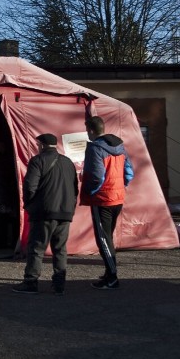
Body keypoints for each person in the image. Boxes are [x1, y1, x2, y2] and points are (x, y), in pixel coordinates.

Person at [14, 133, 78, 295]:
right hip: (65, 212)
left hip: (44, 212)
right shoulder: (68, 162)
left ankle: (31, 282)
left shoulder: (37, 161)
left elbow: (30, 187)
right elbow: (74, 188)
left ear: (41, 145)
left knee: (36, 248)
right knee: (60, 249)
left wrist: (29, 205)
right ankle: (59, 284)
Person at [80, 116, 134, 290]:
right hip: (118, 197)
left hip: (102, 198)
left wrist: (89, 191)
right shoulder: (120, 147)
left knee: (103, 239)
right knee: (108, 237)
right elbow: (129, 172)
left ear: (91, 130)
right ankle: (108, 272)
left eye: (87, 129)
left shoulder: (95, 148)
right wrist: (120, 186)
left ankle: (112, 277)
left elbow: (96, 176)